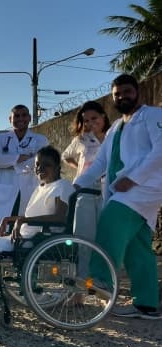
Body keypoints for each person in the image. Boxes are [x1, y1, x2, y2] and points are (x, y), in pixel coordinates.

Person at [74, 73, 162, 319]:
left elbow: (161, 150)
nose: (122, 97)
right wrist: (76, 186)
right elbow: (101, 161)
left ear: (138, 93)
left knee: (110, 224)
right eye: (117, 94)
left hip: (142, 188)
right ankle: (147, 304)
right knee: (138, 246)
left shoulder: (153, 116)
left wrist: (133, 178)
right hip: (124, 189)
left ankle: (101, 279)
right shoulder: (116, 127)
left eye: (127, 92)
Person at [0, 146, 75, 319]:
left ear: (57, 168)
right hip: (26, 235)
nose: (40, 169)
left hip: (38, 239)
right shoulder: (42, 188)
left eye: (46, 165)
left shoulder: (62, 186)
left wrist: (22, 221)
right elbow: (32, 216)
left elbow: (59, 217)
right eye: (38, 165)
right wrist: (11, 219)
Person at [62, 101, 111, 282]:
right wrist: (80, 169)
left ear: (103, 117)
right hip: (85, 191)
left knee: (105, 239)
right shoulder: (81, 140)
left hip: (107, 191)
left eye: (94, 118)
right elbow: (65, 156)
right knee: (83, 238)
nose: (90, 123)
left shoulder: (112, 137)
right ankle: (82, 282)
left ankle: (102, 281)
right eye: (86, 120)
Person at [0, 105, 49, 236]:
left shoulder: (40, 140)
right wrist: (21, 157)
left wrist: (9, 162)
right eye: (17, 116)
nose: (20, 118)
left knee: (25, 231)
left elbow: (40, 161)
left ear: (30, 118)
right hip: (5, 189)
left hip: (29, 187)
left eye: (24, 115)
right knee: (2, 230)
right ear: (10, 119)